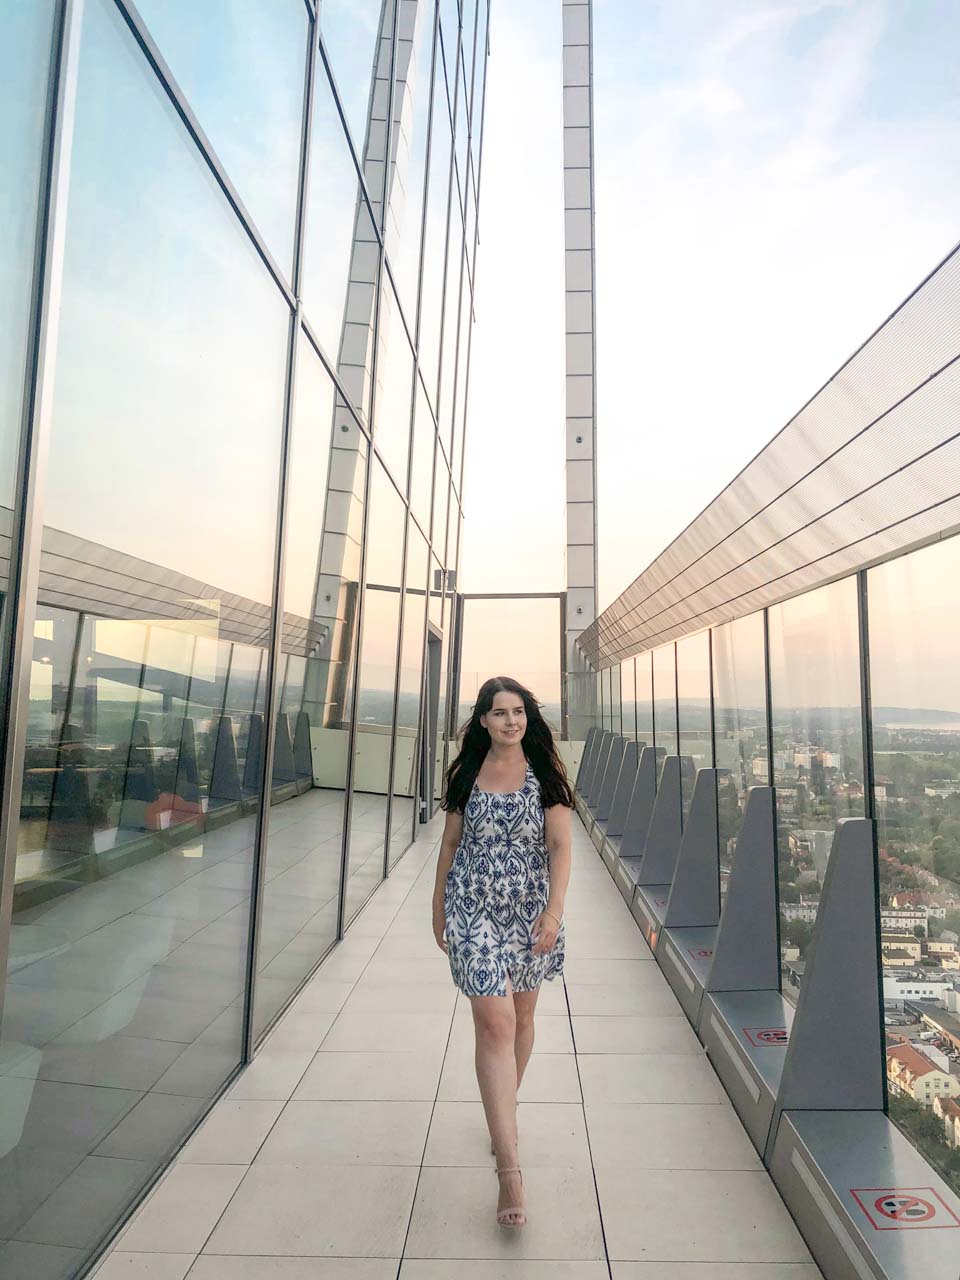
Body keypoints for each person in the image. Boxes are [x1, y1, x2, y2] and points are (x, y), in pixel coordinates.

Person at [432, 675, 573, 1230]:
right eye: (499, 713)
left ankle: (501, 1119)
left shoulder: (547, 777)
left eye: (518, 712)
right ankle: (510, 1168)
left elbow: (560, 848)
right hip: (472, 907)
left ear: (527, 719)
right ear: (483, 721)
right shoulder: (467, 773)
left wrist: (554, 913)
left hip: (530, 911)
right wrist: (438, 905)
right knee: (494, 1021)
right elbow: (449, 843)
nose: (510, 721)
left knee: (522, 1019)